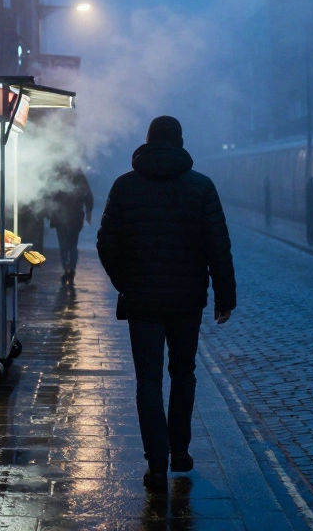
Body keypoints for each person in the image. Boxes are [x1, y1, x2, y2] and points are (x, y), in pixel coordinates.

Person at [96, 116, 236, 495]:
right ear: (180, 143)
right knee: (184, 375)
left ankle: (156, 465)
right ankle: (180, 452)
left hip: (142, 302)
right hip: (187, 301)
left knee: (148, 381)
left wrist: (126, 282)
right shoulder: (201, 187)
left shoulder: (124, 187)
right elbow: (218, 248)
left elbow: (106, 243)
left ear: (148, 142)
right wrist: (225, 297)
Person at [48, 161, 94, 285]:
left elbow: (51, 197)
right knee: (72, 245)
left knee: (64, 245)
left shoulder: (59, 175)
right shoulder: (79, 177)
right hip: (75, 217)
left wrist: (50, 213)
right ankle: (71, 269)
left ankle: (67, 268)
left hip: (62, 217)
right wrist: (89, 213)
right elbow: (88, 195)